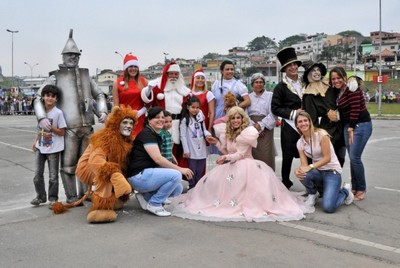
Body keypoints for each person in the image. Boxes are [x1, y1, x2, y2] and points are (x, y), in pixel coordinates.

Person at [168, 106, 312, 222]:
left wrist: (225, 158)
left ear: (242, 119)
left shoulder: (247, 133)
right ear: (229, 120)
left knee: (245, 192)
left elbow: (240, 154)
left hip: (246, 165)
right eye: (233, 118)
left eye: (238, 118)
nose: (236, 120)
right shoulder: (228, 133)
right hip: (232, 165)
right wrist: (217, 143)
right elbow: (227, 150)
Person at [33, 29, 108, 204]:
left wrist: (103, 110)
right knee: (68, 165)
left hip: (87, 127)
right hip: (69, 129)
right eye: (70, 55)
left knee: (87, 164)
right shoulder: (55, 77)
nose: (73, 58)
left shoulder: (86, 76)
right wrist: (41, 117)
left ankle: (86, 193)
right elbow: (38, 97)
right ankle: (71, 195)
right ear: (63, 56)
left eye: (76, 55)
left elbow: (100, 95)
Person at [53, 105, 137, 223]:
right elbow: (95, 161)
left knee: (115, 168)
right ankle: (100, 210)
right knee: (106, 171)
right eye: (125, 122)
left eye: (131, 123)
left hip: (101, 165)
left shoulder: (125, 140)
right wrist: (115, 175)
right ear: (116, 123)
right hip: (87, 167)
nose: (128, 126)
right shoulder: (105, 138)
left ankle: (113, 200)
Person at [126, 106, 194, 217]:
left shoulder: (154, 134)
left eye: (163, 117)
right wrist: (181, 169)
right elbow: (158, 159)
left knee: (178, 188)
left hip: (145, 174)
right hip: (138, 176)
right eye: (157, 117)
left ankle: (146, 196)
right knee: (176, 175)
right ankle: (154, 203)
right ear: (149, 120)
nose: (161, 120)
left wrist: (172, 156)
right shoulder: (147, 135)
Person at [294, 111, 354, 213]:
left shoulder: (322, 134)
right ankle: (312, 194)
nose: (303, 123)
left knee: (328, 207)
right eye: (300, 122)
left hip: (332, 172)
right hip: (318, 172)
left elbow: (327, 158)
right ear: (297, 125)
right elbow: (304, 165)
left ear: (310, 122)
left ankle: (345, 191)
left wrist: (311, 166)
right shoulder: (300, 143)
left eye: (305, 120)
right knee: (302, 173)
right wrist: (298, 171)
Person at [329, 68, 372, 201]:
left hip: (360, 125)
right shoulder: (338, 91)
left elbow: (355, 109)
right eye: (333, 78)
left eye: (339, 77)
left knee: (355, 157)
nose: (336, 81)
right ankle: (355, 187)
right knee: (353, 157)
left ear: (344, 77)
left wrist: (351, 128)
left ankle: (362, 188)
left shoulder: (351, 89)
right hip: (348, 126)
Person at [302, 61, 346, 167]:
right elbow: (311, 118)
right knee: (327, 159)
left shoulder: (329, 85)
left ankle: (335, 180)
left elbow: (344, 89)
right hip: (326, 131)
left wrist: (353, 79)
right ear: (308, 74)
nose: (316, 72)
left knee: (340, 157)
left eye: (318, 70)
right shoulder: (308, 95)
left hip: (340, 127)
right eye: (313, 70)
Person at [271, 47, 303, 189]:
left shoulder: (305, 83)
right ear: (284, 68)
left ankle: (312, 183)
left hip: (306, 125)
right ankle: (285, 182)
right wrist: (294, 113)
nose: (293, 67)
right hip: (289, 125)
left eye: (295, 64)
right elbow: (275, 108)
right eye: (289, 65)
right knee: (288, 156)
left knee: (309, 153)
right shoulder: (280, 87)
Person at [30, 85, 67, 208]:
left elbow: (62, 132)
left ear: (56, 99)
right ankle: (40, 196)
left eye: (52, 96)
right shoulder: (41, 112)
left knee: (53, 176)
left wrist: (51, 128)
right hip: (41, 147)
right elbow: (39, 129)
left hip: (53, 149)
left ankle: (53, 198)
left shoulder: (58, 113)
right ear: (43, 97)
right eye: (47, 96)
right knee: (37, 175)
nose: (50, 98)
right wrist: (35, 141)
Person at [180, 96, 213, 189]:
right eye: (193, 107)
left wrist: (207, 135)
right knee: (192, 170)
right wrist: (186, 150)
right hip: (191, 149)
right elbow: (183, 136)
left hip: (201, 148)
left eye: (197, 107)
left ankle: (198, 187)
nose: (195, 110)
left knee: (200, 169)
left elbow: (204, 130)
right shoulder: (185, 120)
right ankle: (191, 186)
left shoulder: (200, 118)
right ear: (188, 107)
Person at [112, 53, 148, 137]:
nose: (133, 69)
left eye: (135, 67)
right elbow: (116, 105)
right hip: (124, 120)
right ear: (126, 68)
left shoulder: (144, 81)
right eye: (131, 66)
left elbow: (149, 103)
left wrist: (140, 112)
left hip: (139, 119)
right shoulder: (117, 82)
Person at [247, 73, 277, 170]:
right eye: (256, 82)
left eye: (261, 82)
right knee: (252, 153)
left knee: (266, 154)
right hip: (251, 127)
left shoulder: (270, 96)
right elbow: (245, 114)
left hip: (266, 127)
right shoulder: (248, 96)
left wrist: (261, 125)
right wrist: (253, 126)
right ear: (252, 84)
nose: (259, 84)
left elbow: (273, 113)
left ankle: (268, 178)